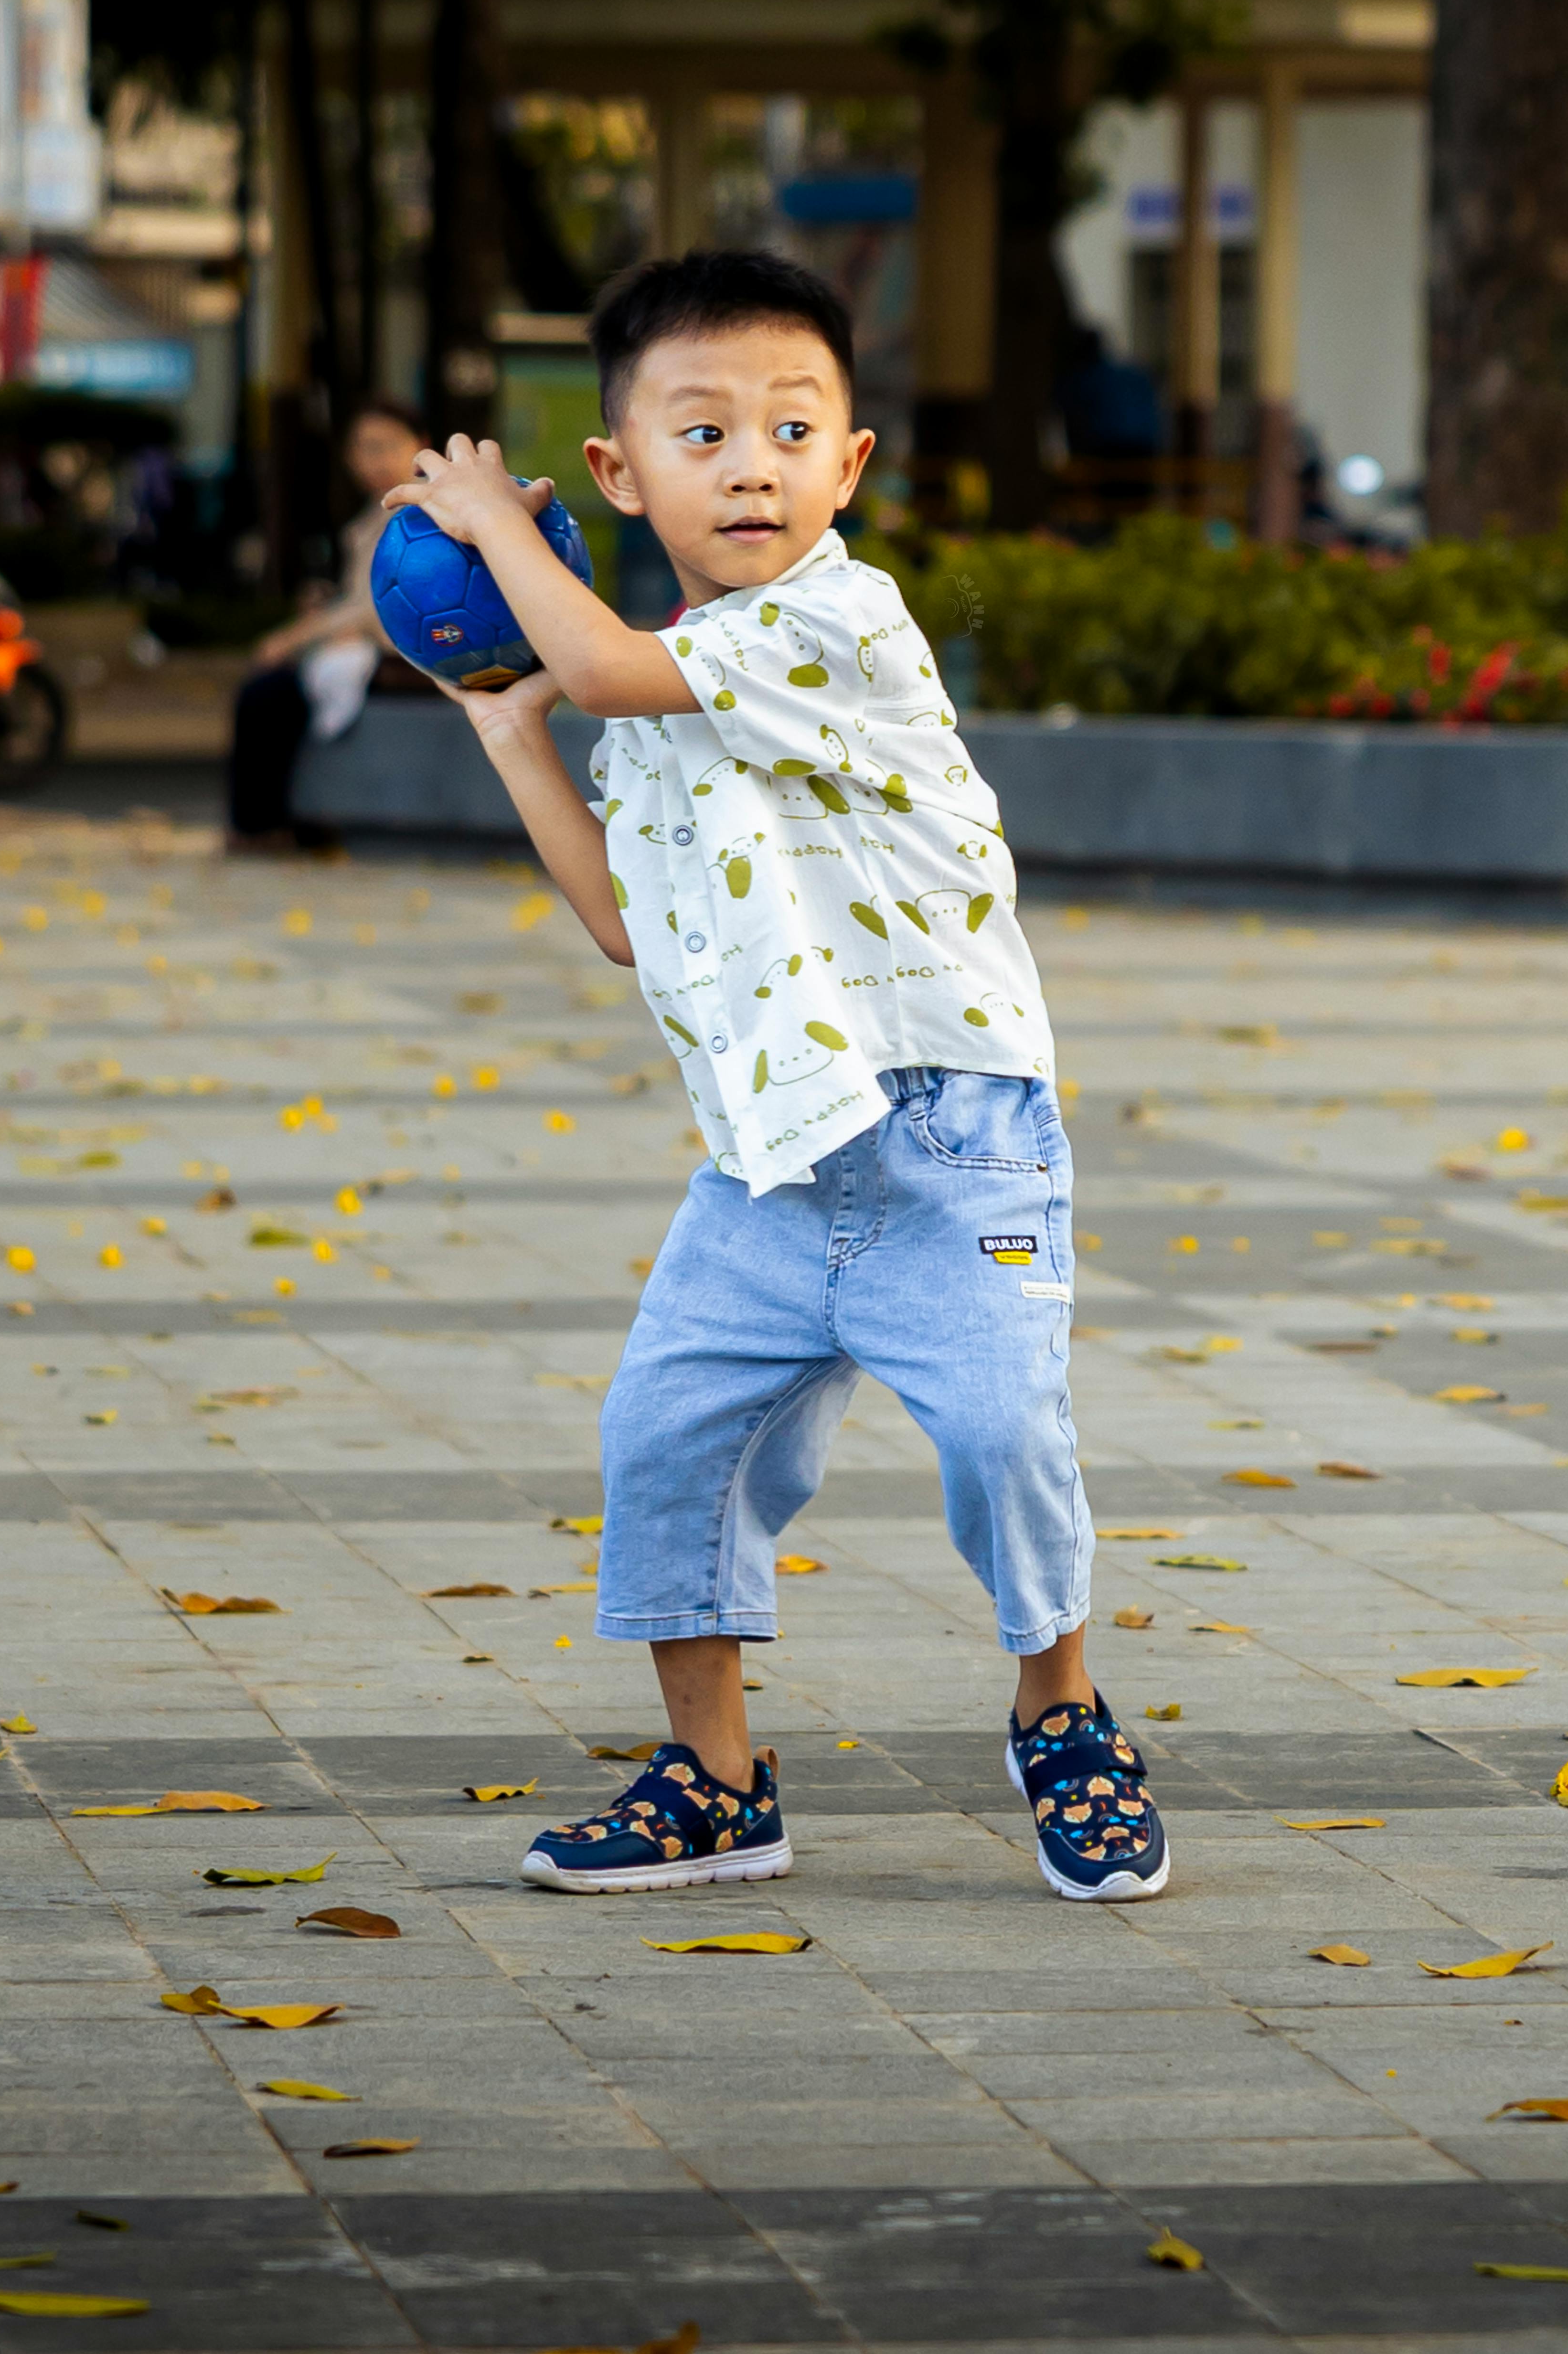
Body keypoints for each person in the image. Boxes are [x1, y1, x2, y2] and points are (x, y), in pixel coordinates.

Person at [385, 249, 1168, 1905]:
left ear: (848, 465)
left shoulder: (835, 620)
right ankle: (715, 1783)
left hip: (951, 1150)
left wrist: (488, 514)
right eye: (702, 432)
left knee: (999, 1437)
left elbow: (597, 662)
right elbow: (623, 925)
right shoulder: (660, 690)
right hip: (763, 1167)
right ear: (621, 473)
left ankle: (1066, 1716)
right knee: (665, 1440)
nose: (751, 463)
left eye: (790, 428)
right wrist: (507, 729)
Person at [226, 399, 428, 851]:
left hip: (408, 654)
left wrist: (294, 637)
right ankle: (282, 821)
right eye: (362, 448)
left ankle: (262, 826)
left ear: (421, 448)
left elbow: (381, 606)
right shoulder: (378, 516)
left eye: (385, 446)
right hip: (375, 647)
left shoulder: (419, 519)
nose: (372, 460)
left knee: (267, 695)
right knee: (275, 690)